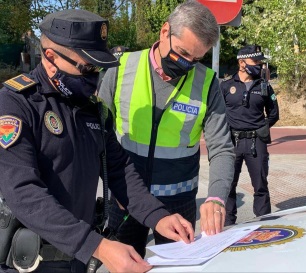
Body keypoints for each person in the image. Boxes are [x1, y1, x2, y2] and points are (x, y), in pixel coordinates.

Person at [0, 9, 195, 273]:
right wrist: (98, 246)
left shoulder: (92, 108)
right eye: (87, 68)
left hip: (78, 257)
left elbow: (119, 169)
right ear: (50, 58)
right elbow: (23, 192)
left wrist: (158, 216)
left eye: (99, 68)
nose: (95, 77)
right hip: (30, 260)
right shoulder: (15, 104)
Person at [98, 0, 235, 258]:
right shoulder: (120, 69)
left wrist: (216, 197)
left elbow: (222, 148)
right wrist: (110, 184)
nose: (186, 65)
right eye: (182, 54)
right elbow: (98, 136)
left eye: (196, 59)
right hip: (126, 200)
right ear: (164, 32)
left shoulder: (207, 83)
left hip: (178, 205)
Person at [220, 45, 279, 226]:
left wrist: (262, 128)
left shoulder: (264, 86)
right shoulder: (226, 86)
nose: (259, 65)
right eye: (256, 62)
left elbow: (274, 113)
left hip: (256, 143)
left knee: (260, 185)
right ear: (241, 62)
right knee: (229, 186)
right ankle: (228, 226)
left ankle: (263, 225)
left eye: (260, 62)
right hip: (232, 142)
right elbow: (217, 114)